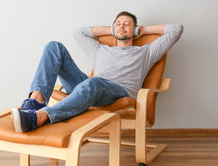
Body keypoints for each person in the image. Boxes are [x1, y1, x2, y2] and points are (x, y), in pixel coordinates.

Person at [11, 11, 183, 132]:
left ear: (135, 29)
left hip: (119, 93)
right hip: (89, 88)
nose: (121, 26)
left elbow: (176, 29)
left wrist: (144, 30)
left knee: (94, 81)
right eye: (118, 23)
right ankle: (35, 102)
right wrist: (112, 30)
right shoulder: (100, 49)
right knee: (54, 47)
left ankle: (40, 117)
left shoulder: (146, 52)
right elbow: (78, 33)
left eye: (127, 24)